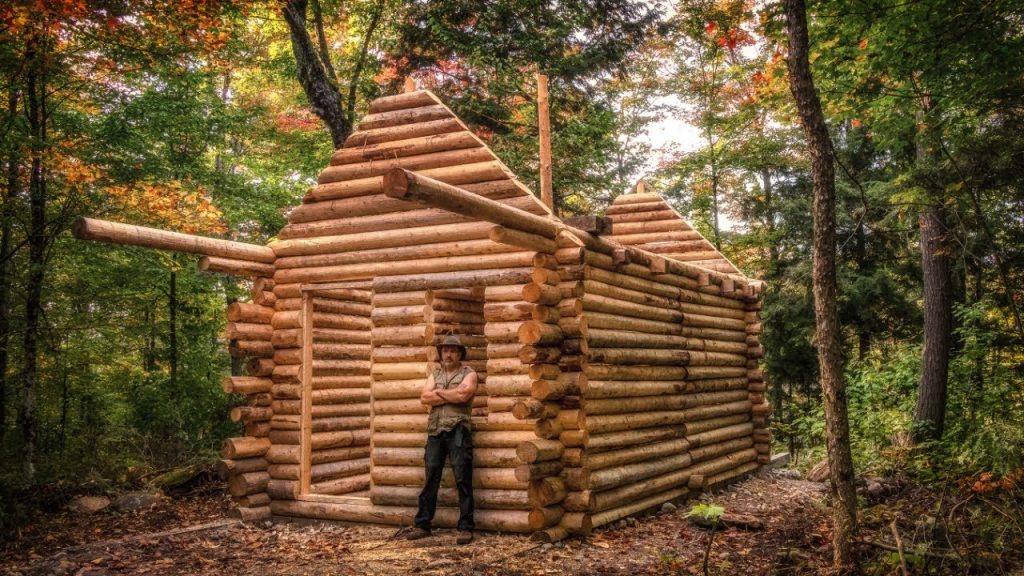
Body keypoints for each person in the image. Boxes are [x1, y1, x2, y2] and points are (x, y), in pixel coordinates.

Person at [405, 334, 478, 544]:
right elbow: (424, 398)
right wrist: (449, 393)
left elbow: (463, 396)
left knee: (463, 479)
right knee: (431, 478)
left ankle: (465, 528)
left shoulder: (469, 373)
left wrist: (438, 392)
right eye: (445, 350)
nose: (448, 354)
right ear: (441, 354)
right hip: (435, 431)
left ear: (460, 354)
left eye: (453, 351)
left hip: (458, 431)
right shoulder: (434, 373)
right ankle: (423, 525)